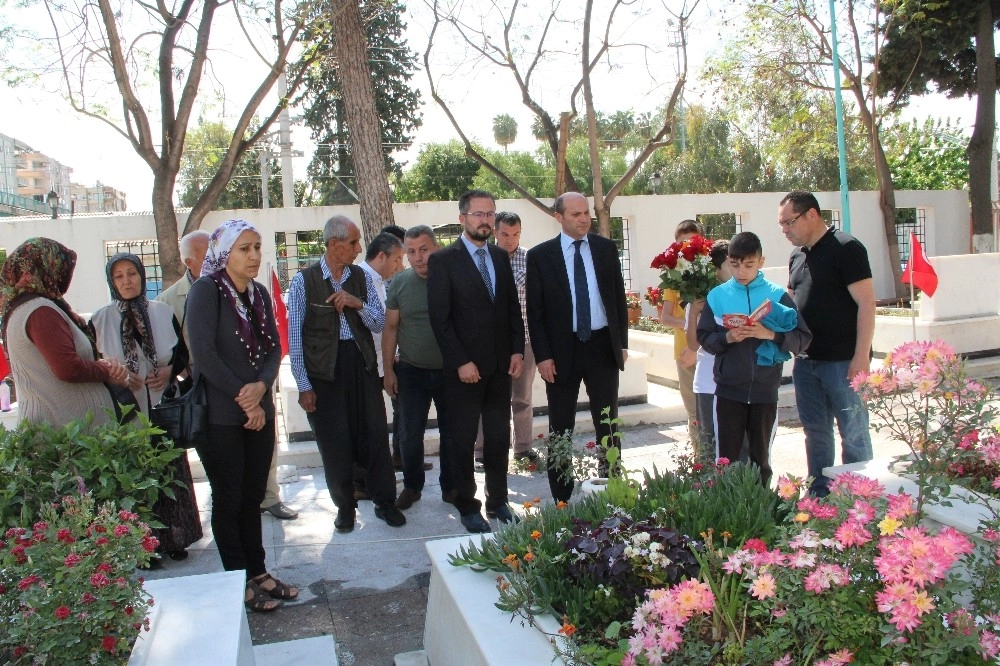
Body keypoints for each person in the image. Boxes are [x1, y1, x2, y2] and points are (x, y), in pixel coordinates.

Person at [187, 219, 298, 612]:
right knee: (230, 497)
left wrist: (261, 387)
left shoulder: (260, 294)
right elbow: (203, 355)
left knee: (253, 497)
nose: (253, 256)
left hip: (258, 412)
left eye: (256, 247)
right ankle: (238, 579)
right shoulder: (206, 292)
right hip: (221, 416)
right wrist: (245, 396)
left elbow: (273, 348)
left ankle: (259, 571)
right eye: (244, 249)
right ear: (225, 253)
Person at [287, 215, 406, 533]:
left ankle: (385, 502)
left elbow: (379, 323)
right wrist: (303, 385)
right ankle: (345, 508)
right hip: (325, 373)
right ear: (334, 244)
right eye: (352, 242)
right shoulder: (305, 281)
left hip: (361, 364)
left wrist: (356, 304)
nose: (358, 248)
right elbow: (295, 338)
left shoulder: (360, 278)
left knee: (376, 435)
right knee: (334, 442)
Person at [91, 252, 202, 560]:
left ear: (142, 275)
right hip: (126, 413)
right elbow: (93, 365)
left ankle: (177, 539)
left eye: (132, 274)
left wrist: (169, 371)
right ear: (112, 282)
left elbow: (181, 356)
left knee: (170, 472)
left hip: (162, 408)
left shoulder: (163, 311)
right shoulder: (100, 319)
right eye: (119, 276)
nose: (127, 281)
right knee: (135, 478)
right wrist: (119, 377)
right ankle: (143, 548)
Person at [427, 190, 524, 533]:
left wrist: (517, 350)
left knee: (498, 437)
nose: (485, 220)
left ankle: (498, 502)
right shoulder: (443, 260)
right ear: (462, 218)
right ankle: (467, 505)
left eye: (490, 214)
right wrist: (460, 362)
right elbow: (440, 319)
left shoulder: (500, 256)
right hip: (463, 371)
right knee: (462, 439)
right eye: (478, 214)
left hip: (499, 367)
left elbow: (511, 309)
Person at [526, 192, 629, 502]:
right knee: (561, 424)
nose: (584, 219)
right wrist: (543, 356)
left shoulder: (605, 249)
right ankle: (561, 494)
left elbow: (617, 299)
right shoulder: (541, 256)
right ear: (559, 217)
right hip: (560, 350)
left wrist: (621, 343)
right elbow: (536, 311)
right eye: (576, 214)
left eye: (586, 213)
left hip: (601, 347)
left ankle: (611, 484)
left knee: (607, 420)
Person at [696, 232, 811, 487]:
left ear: (761, 262)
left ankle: (761, 514)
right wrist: (727, 338)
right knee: (726, 460)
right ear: (728, 261)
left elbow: (803, 338)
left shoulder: (777, 295)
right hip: (728, 390)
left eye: (749, 265)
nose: (741, 272)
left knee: (761, 460)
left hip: (765, 390)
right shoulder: (717, 296)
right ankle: (727, 516)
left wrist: (770, 334)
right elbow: (704, 338)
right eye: (735, 265)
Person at [781, 190, 876, 496]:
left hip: (843, 363)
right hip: (807, 364)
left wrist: (861, 356)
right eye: (781, 224)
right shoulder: (796, 257)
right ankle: (820, 499)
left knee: (854, 434)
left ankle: (860, 499)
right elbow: (791, 307)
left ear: (811, 214)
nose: (784, 229)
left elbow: (867, 303)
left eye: (788, 222)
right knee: (816, 435)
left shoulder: (846, 248)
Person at [0, 238, 129, 429]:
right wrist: (106, 370)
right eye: (61, 268)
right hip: (65, 435)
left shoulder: (22, 308)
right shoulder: (40, 311)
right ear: (46, 266)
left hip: (61, 428)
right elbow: (67, 368)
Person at [382, 226, 455, 509]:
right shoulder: (399, 284)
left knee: (452, 433)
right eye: (411, 252)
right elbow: (390, 328)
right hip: (411, 371)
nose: (418, 257)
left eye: (423, 250)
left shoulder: (452, 279)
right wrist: (388, 371)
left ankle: (451, 488)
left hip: (451, 372)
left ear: (436, 248)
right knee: (410, 434)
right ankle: (412, 487)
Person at [474, 211, 539, 466]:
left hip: (525, 341)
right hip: (490, 343)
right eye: (504, 234)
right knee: (487, 398)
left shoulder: (530, 259)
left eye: (515, 235)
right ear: (494, 232)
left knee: (522, 397)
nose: (510, 240)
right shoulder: (482, 258)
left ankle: (523, 448)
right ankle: (482, 451)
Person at [353, 232, 406, 501]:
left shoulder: (380, 281)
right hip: (365, 363)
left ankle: (380, 473)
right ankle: (362, 482)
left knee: (379, 423)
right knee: (368, 426)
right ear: (382, 256)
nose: (399, 266)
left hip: (382, 362)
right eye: (397, 259)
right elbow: (376, 325)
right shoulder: (359, 278)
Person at [685, 239, 732, 460]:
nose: (738, 270)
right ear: (715, 269)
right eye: (732, 264)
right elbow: (694, 345)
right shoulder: (701, 298)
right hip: (707, 381)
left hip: (736, 380)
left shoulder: (744, 293)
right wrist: (694, 313)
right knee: (709, 444)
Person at [659, 220, 703, 447]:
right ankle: (700, 464)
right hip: (684, 353)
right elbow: (665, 317)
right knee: (694, 412)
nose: (686, 248)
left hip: (709, 350)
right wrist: (690, 324)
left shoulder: (710, 274)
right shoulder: (673, 278)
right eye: (681, 243)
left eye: (691, 243)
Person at [156, 229, 210, 348]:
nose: (216, 262)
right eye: (208, 258)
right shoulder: (165, 302)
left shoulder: (235, 289)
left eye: (216, 255)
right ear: (189, 263)